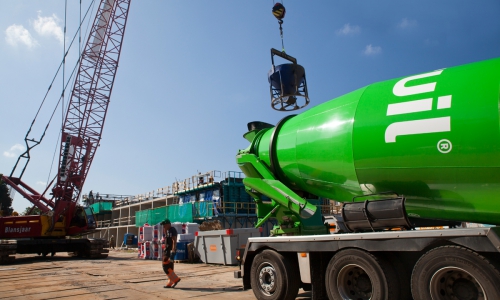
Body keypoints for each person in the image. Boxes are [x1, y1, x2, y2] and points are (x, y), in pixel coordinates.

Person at [161, 219, 180, 288]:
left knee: (165, 266)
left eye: (165, 225)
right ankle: (171, 280)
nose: (164, 226)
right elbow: (166, 237)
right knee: (169, 267)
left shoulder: (172, 230)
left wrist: (173, 251)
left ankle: (175, 279)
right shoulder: (168, 230)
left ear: (169, 224)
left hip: (169, 251)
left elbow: (174, 240)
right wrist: (165, 230)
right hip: (167, 250)